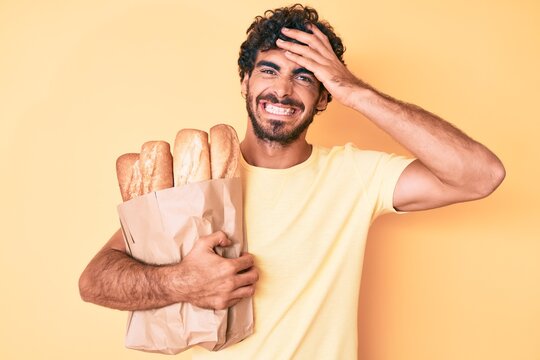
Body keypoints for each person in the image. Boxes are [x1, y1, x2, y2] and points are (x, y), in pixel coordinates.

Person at [79, 4, 505, 359]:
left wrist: (353, 89)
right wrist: (182, 281)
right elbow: (95, 280)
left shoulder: (355, 175)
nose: (282, 90)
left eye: (304, 77)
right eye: (268, 71)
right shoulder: (198, 178)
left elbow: (481, 175)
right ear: (245, 82)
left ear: (324, 97)